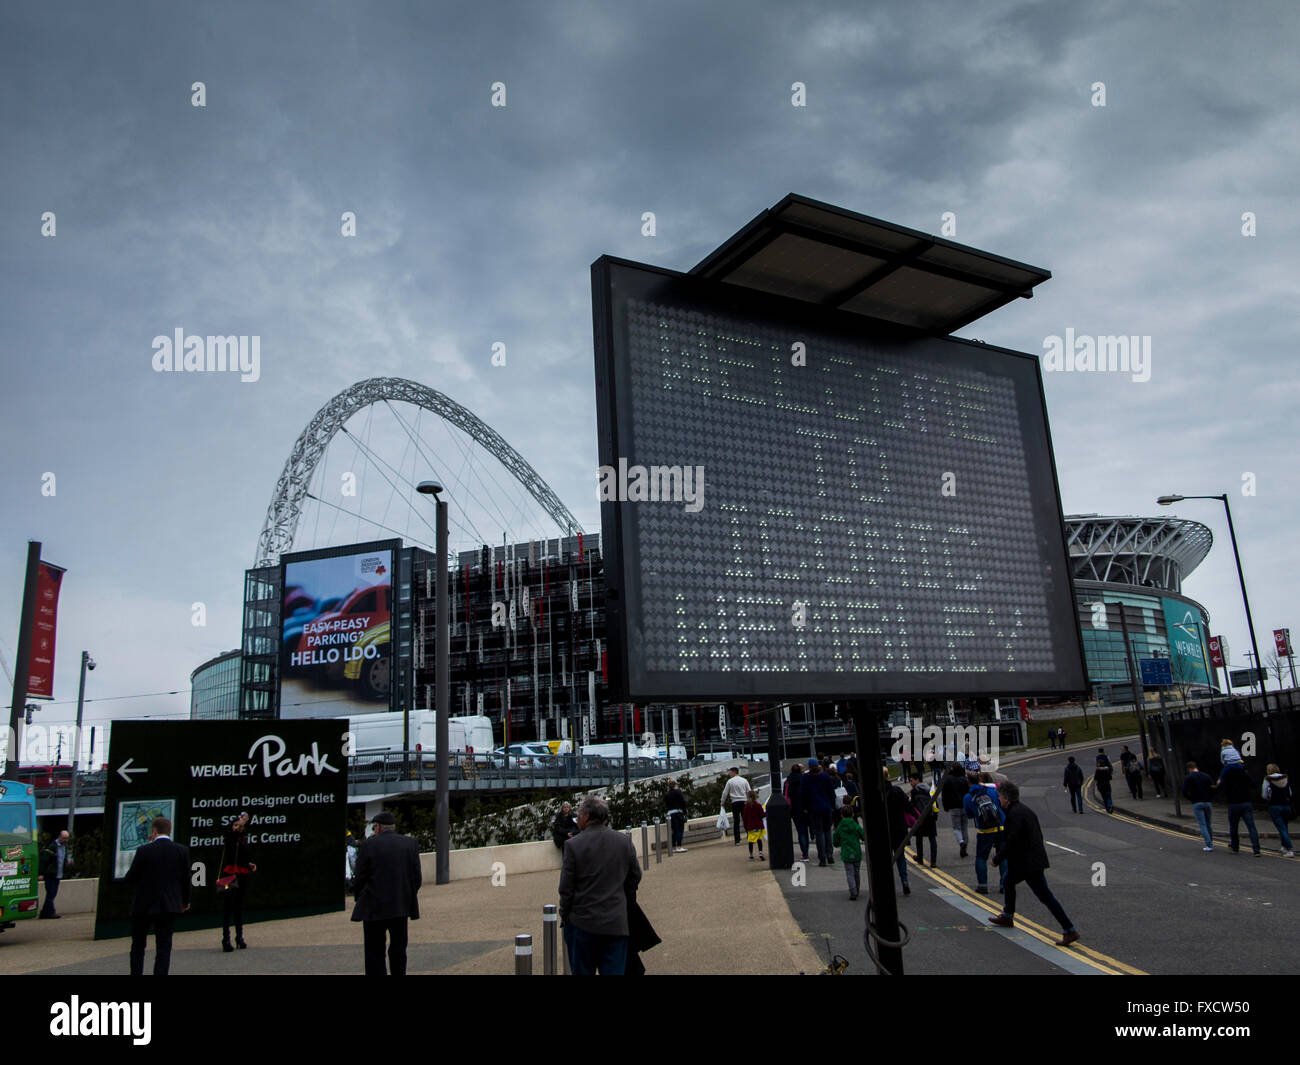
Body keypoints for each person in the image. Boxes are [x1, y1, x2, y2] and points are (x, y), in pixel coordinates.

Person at [987, 781, 1080, 946]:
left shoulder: (1014, 815)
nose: (999, 800)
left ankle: (1069, 929)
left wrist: (997, 858)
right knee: (1008, 881)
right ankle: (1007, 916)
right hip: (1031, 860)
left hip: (1027, 863)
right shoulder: (1025, 810)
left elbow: (1012, 841)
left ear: (1006, 798)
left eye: (1000, 797)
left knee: (1045, 896)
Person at [558, 796, 641, 975]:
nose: (576, 818)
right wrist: (620, 898)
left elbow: (566, 888)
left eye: (578, 814)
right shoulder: (623, 842)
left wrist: (565, 915)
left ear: (587, 816)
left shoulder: (573, 845)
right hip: (615, 923)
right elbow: (635, 876)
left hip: (582, 923)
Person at [350, 810, 422, 975]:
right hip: (400, 905)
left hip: (374, 907)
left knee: (374, 951)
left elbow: (360, 877)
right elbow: (416, 877)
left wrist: (360, 897)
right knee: (398, 949)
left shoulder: (368, 845)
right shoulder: (410, 843)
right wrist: (407, 895)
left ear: (379, 827)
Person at [124, 816, 191, 976]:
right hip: (169, 904)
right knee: (164, 946)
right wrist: (185, 900)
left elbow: (130, 878)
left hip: (143, 905)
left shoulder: (143, 850)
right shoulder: (182, 850)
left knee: (138, 945)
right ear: (169, 830)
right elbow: (185, 879)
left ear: (153, 831)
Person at [964, 771, 1007, 895]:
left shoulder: (968, 797)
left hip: (985, 830)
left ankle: (983, 885)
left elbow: (969, 814)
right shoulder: (992, 791)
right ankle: (1004, 885)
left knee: (981, 858)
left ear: (969, 782)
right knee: (1002, 856)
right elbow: (1000, 805)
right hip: (1001, 826)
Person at [219, 811, 257, 952]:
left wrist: (249, 865)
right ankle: (225, 939)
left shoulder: (243, 840)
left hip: (242, 875)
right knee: (228, 907)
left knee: (239, 907)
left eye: (238, 825)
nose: (237, 827)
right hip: (229, 875)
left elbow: (243, 857)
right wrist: (240, 823)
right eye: (234, 825)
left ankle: (239, 937)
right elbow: (232, 842)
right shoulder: (229, 837)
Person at [1213, 759, 1260, 856]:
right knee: (1251, 827)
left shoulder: (1226, 775)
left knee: (1234, 827)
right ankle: (1256, 850)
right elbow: (1254, 785)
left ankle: (1235, 847)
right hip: (1246, 803)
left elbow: (1220, 787)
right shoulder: (1244, 774)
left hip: (1233, 804)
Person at [803, 759, 837, 866]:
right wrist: (832, 805)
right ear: (818, 765)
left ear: (809, 767)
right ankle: (830, 854)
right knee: (828, 831)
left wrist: (805, 807)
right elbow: (831, 793)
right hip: (826, 807)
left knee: (819, 833)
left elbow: (803, 794)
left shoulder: (806, 778)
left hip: (814, 808)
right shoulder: (825, 776)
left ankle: (822, 858)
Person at [885, 769, 912, 896]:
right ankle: (905, 881)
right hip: (899, 827)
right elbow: (908, 807)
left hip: (885, 829)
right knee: (900, 856)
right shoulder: (897, 791)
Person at [832, 800, 864, 900]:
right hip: (856, 852)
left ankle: (852, 891)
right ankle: (857, 890)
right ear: (853, 814)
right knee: (856, 872)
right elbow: (863, 836)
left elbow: (836, 839)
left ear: (841, 815)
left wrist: (837, 844)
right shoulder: (855, 825)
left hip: (846, 852)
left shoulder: (840, 827)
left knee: (849, 873)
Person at [1262, 764, 1295, 858]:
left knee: (1281, 828)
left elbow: (1264, 795)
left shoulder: (1268, 779)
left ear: (1269, 770)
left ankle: (1289, 849)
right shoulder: (1284, 778)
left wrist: (1269, 798)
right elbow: (1290, 793)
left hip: (1274, 806)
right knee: (1285, 827)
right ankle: (1284, 846)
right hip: (1286, 806)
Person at [1183, 761, 1216, 851]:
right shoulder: (1206, 776)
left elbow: (1184, 792)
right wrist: (1210, 798)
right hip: (1207, 802)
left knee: (1202, 824)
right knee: (1208, 823)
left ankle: (1209, 845)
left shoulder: (1188, 778)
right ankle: (1211, 841)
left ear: (1189, 769)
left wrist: (1191, 799)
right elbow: (1213, 788)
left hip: (1197, 803)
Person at [908, 770, 938, 868]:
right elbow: (935, 803)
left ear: (917, 780)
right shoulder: (929, 789)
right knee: (932, 838)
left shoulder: (915, 791)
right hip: (930, 816)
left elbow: (912, 805)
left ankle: (920, 857)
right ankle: (933, 861)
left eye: (911, 781)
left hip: (920, 817)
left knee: (919, 838)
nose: (911, 783)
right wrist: (935, 815)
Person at [38, 829, 70, 919]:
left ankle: (44, 912)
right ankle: (51, 912)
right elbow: (43, 860)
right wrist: (41, 873)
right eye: (64, 838)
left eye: (67, 838)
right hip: (50, 874)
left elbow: (63, 859)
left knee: (52, 894)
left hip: (58, 874)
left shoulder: (64, 847)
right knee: (51, 893)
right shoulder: (51, 847)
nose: (65, 840)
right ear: (59, 837)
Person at [941, 762, 970, 857]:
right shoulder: (964, 779)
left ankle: (961, 842)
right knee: (964, 827)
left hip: (953, 806)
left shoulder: (948, 780)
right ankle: (964, 848)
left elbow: (944, 795)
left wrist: (945, 806)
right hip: (964, 806)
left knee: (957, 828)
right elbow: (968, 793)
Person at [785, 763, 811, 861]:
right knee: (805, 830)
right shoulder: (804, 779)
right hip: (804, 808)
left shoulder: (788, 781)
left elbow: (786, 795)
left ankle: (805, 854)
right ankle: (806, 851)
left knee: (800, 831)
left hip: (794, 809)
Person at [722, 767, 750, 847]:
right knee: (746, 820)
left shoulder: (730, 781)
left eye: (730, 772)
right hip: (744, 801)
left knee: (736, 821)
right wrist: (749, 800)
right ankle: (749, 836)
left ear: (734, 772)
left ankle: (737, 840)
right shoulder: (744, 780)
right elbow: (749, 791)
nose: (729, 774)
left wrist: (722, 802)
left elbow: (725, 793)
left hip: (735, 802)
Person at [664, 781, 689, 853]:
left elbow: (666, 803)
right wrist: (685, 813)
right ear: (675, 785)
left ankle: (673, 847)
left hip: (670, 814)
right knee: (680, 830)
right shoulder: (678, 792)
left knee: (674, 831)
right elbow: (683, 802)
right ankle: (679, 846)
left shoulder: (667, 794)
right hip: (678, 813)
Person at [742, 790, 766, 861]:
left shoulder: (746, 806)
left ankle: (751, 855)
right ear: (755, 797)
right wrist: (767, 812)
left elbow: (744, 818)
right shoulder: (758, 805)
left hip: (750, 827)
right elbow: (762, 815)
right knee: (759, 840)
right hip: (759, 826)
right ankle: (760, 853)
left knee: (750, 841)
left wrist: (745, 826)